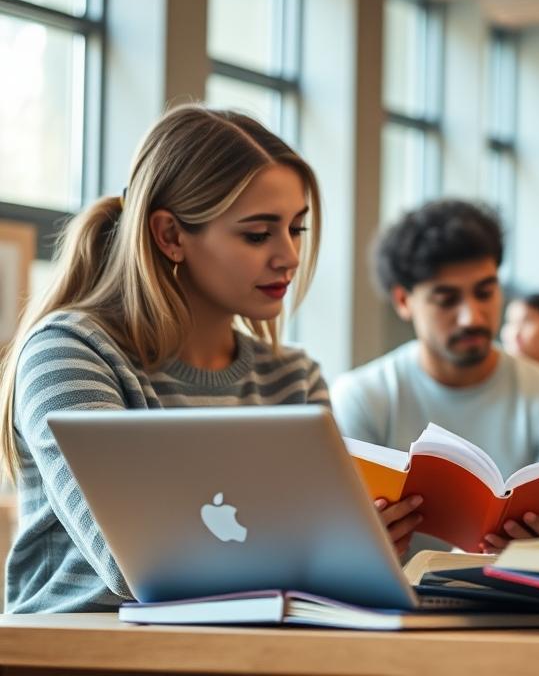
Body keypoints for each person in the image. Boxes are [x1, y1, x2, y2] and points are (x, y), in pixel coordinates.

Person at [0, 106, 417, 613]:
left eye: (297, 229)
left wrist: (363, 553)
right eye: (258, 234)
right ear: (171, 236)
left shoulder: (293, 378)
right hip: (84, 654)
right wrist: (323, 552)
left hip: (249, 652)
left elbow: (314, 576)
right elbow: (134, 565)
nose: (288, 255)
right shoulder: (68, 351)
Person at [332, 200, 539, 552]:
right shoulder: (362, 398)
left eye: (485, 292)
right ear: (403, 301)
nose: (472, 316)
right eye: (446, 299)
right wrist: (359, 547)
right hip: (390, 603)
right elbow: (337, 546)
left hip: (517, 604)